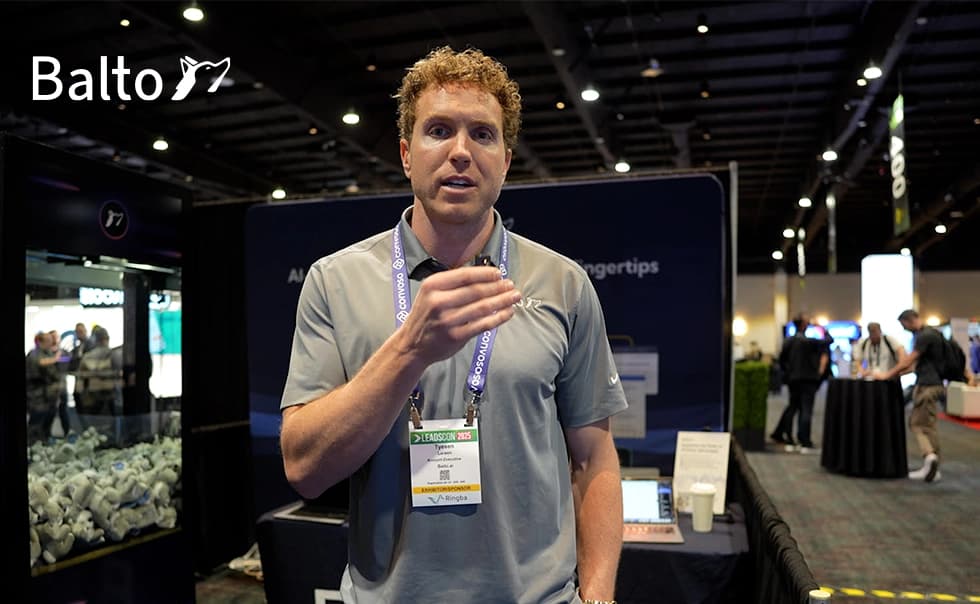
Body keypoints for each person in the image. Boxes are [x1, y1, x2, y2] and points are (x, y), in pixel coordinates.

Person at [279, 47, 627, 604]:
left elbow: (593, 458)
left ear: (506, 160)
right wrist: (410, 351)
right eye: (438, 130)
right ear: (406, 154)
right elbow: (304, 469)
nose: (460, 152)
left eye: (483, 135)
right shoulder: (335, 281)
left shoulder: (562, 282)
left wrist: (600, 594)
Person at [877, 310, 960, 482]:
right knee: (929, 425)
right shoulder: (934, 334)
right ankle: (932, 466)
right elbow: (914, 365)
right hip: (935, 385)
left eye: (903, 325)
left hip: (927, 387)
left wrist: (887, 375)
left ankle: (929, 457)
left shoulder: (924, 336)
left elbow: (909, 360)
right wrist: (895, 374)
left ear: (908, 321)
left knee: (916, 424)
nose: (904, 328)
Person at [771, 313, 829, 453]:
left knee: (793, 407)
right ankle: (804, 441)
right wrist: (821, 327)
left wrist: (789, 373)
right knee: (806, 410)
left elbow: (781, 360)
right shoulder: (809, 341)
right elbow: (829, 340)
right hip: (808, 380)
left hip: (793, 380)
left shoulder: (788, 341)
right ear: (803, 325)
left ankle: (788, 437)